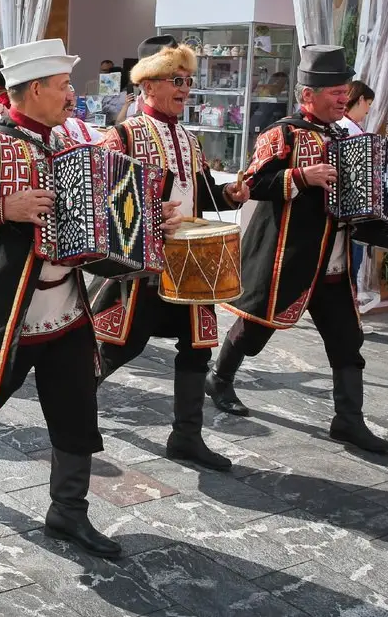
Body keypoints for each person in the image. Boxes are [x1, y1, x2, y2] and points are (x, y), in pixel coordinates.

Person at [0, 38, 133, 560]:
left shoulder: (70, 144)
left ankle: (68, 512)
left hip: (69, 310)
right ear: (34, 89)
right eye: (63, 87)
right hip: (9, 312)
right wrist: (0, 207)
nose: (71, 96)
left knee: (78, 412)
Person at [209, 45, 388, 454]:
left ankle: (348, 421)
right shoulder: (282, 133)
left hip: (335, 262)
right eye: (335, 92)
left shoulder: (349, 136)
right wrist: (300, 176)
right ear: (307, 94)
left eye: (345, 90)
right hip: (285, 259)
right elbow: (252, 184)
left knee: (347, 342)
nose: (343, 98)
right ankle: (219, 378)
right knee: (255, 327)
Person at [88, 36, 248, 472]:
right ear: (149, 86)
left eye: (188, 81)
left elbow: (201, 190)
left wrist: (230, 195)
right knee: (119, 347)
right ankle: (74, 416)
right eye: (177, 80)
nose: (185, 89)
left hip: (191, 264)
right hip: (144, 266)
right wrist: (146, 215)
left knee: (197, 349)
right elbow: (99, 201)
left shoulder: (190, 140)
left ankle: (186, 437)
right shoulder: (120, 136)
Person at [340, 81, 376, 289]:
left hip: (350, 206)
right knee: (352, 257)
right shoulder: (348, 129)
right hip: (351, 207)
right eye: (368, 104)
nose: (368, 110)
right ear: (360, 99)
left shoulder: (348, 127)